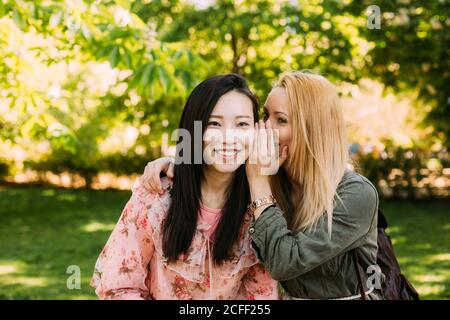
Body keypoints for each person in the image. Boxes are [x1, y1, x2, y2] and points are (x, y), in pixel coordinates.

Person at [141, 70, 383, 300]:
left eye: (281, 120)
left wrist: (258, 180)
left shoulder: (355, 194)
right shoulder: (273, 177)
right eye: (266, 116)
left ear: (312, 130)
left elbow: (284, 262)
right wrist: (176, 163)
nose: (265, 128)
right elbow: (217, 159)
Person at [91, 73, 278, 300]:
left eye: (242, 124)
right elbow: (119, 287)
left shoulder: (259, 209)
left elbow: (260, 295)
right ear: (194, 130)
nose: (229, 137)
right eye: (214, 124)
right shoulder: (155, 197)